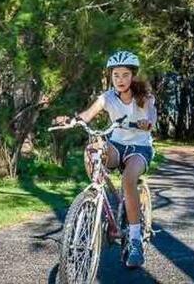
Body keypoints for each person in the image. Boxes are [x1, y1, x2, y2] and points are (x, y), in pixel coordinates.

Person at [53, 50, 157, 269]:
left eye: (125, 75)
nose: (120, 80)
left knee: (128, 179)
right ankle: (96, 196)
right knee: (94, 147)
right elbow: (88, 114)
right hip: (117, 146)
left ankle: (136, 239)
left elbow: (151, 116)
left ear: (133, 76)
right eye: (116, 75)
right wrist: (72, 121)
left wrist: (147, 123)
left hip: (140, 148)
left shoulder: (144, 96)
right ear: (111, 76)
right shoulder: (107, 97)